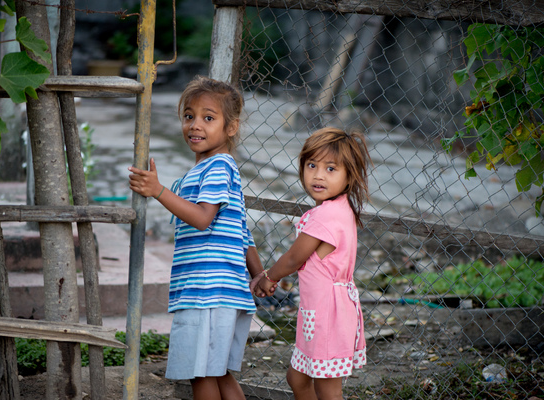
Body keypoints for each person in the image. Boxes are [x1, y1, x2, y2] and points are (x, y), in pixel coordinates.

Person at [128, 76, 264, 400]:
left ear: (231, 128)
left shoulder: (217, 167)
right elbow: (241, 232)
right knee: (220, 375)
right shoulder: (206, 172)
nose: (195, 125)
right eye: (189, 116)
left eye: (208, 117)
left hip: (207, 291)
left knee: (199, 374)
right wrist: (259, 273)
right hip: (218, 290)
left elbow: (203, 219)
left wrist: (158, 191)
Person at [251, 127, 371, 400]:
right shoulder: (340, 208)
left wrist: (269, 277)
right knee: (297, 378)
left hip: (327, 316)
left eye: (331, 169)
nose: (318, 174)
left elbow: (294, 257)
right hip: (323, 311)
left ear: (348, 176)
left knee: (328, 389)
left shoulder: (324, 217)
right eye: (312, 165)